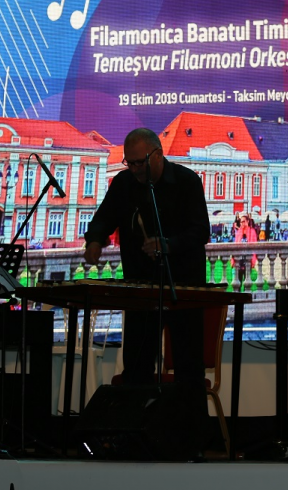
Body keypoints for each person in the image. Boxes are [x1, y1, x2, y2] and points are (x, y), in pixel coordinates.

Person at [83, 128, 209, 423]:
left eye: (140, 162)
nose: (135, 169)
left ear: (158, 155)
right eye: (130, 163)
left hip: (183, 288)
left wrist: (168, 245)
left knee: (189, 367)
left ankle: (192, 435)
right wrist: (95, 240)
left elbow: (201, 231)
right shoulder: (123, 183)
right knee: (137, 367)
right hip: (141, 290)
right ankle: (134, 432)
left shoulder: (187, 181)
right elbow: (103, 218)